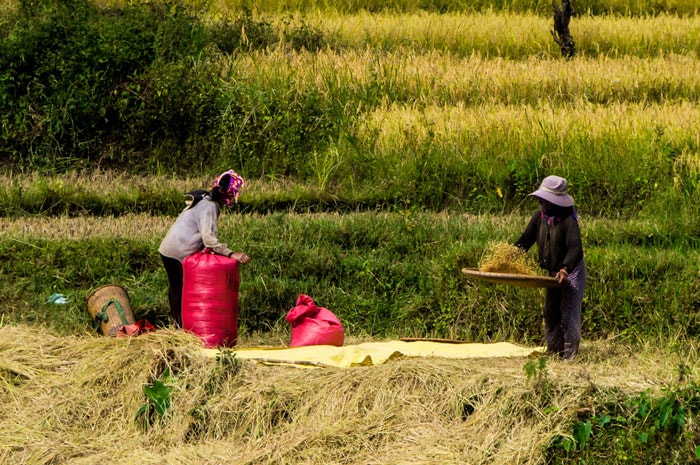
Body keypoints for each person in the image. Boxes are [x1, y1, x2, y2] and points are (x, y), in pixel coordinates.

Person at [158, 170, 251, 327]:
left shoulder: (203, 199)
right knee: (181, 292)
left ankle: (177, 327)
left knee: (176, 290)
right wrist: (231, 254)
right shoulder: (209, 206)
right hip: (177, 252)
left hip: (168, 249)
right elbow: (209, 240)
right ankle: (179, 328)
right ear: (228, 196)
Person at [514, 175, 586, 360]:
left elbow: (576, 248)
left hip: (571, 271)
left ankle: (569, 356)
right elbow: (526, 240)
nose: (542, 202)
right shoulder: (540, 217)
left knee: (568, 312)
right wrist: (509, 257)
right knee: (551, 310)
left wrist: (565, 270)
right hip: (552, 272)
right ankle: (555, 351)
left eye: (546, 200)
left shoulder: (568, 221)